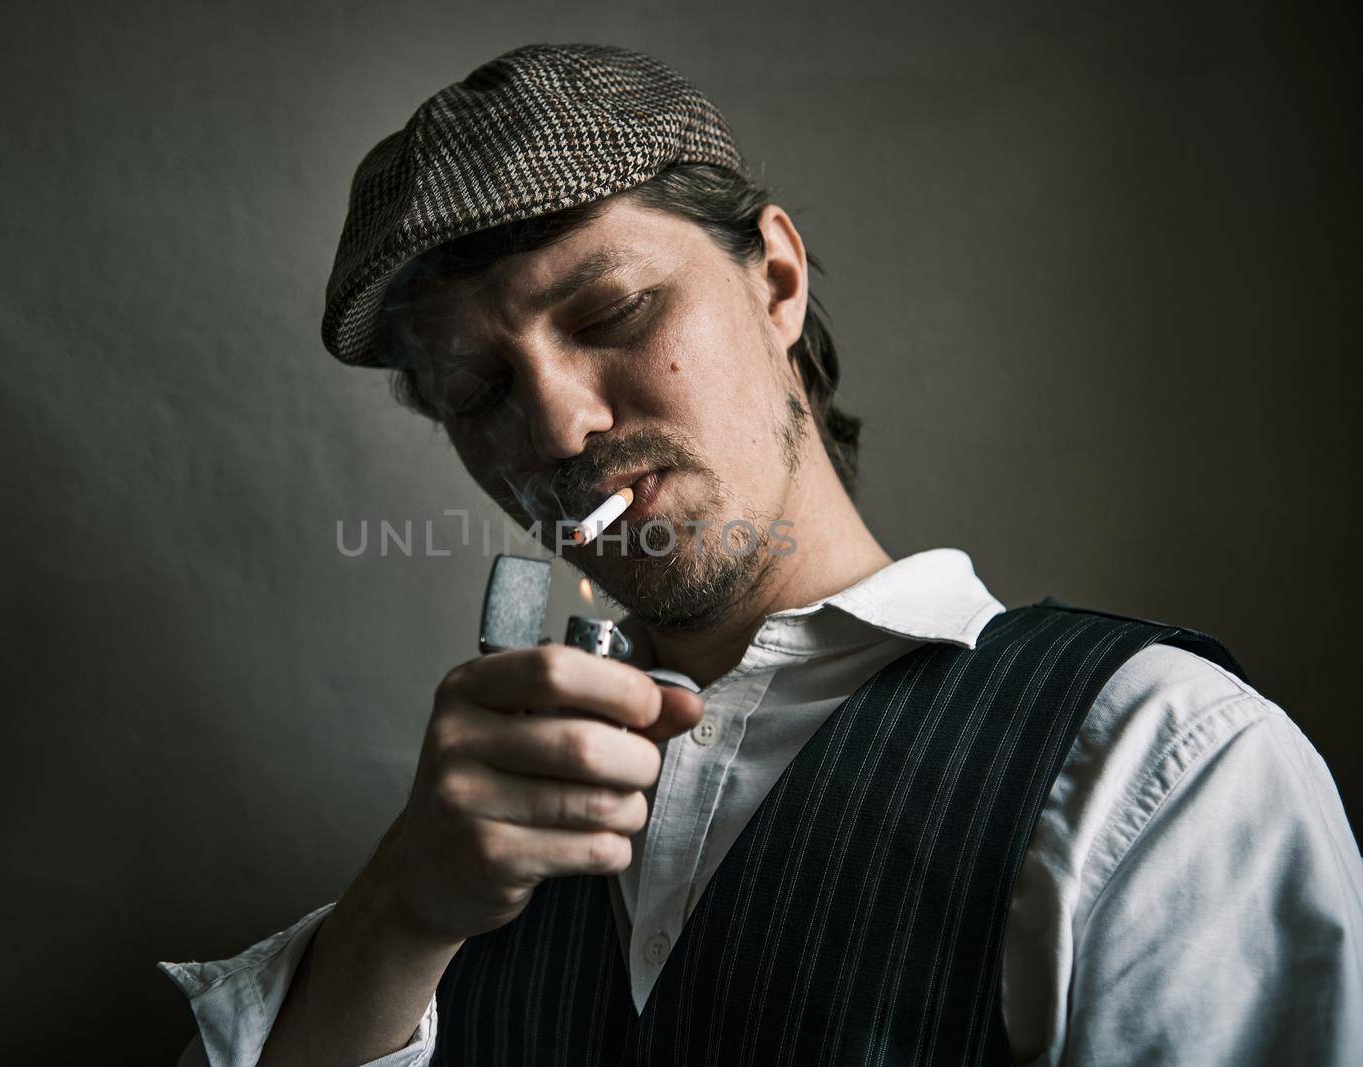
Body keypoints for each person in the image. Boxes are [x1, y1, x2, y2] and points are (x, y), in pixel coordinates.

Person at [159, 43, 1363, 1065]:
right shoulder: (460, 858)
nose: (559, 428)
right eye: (476, 389)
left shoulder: (1164, 761)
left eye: (613, 313)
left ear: (775, 278)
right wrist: (398, 912)